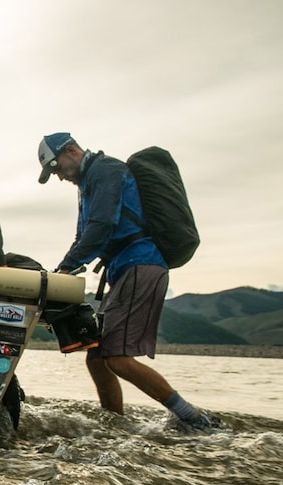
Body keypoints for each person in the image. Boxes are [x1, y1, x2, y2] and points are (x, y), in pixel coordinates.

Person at [37, 132, 218, 432]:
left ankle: (195, 419)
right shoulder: (87, 184)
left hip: (141, 265)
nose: (58, 176)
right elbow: (84, 236)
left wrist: (68, 267)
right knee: (97, 356)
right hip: (124, 270)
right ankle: (114, 426)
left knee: (118, 359)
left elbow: (103, 226)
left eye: (56, 168)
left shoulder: (106, 171)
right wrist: (61, 271)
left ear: (71, 150)